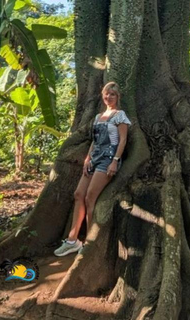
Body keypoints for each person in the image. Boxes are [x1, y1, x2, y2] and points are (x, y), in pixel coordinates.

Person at [54, 82, 131, 256]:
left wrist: (115, 161)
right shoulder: (98, 117)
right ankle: (72, 240)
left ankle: (89, 243)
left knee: (90, 198)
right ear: (102, 95)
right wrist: (88, 159)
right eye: (106, 94)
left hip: (108, 160)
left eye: (112, 94)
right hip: (94, 159)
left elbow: (123, 140)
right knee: (78, 195)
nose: (109, 97)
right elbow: (95, 141)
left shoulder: (120, 116)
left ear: (118, 97)